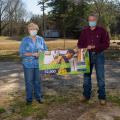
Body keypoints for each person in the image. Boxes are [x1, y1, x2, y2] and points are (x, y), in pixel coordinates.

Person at [77, 14, 110, 105]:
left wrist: (95, 46)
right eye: (90, 20)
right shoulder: (84, 31)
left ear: (96, 20)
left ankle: (102, 97)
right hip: (86, 56)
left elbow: (106, 44)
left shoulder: (102, 31)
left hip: (99, 55)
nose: (91, 21)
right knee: (86, 77)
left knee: (100, 77)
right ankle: (86, 95)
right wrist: (85, 47)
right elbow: (79, 44)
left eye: (93, 20)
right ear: (88, 21)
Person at [19, 23, 48, 105]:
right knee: (29, 82)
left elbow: (46, 49)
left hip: (39, 64)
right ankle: (29, 99)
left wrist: (41, 52)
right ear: (28, 30)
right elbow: (21, 53)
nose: (33, 30)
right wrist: (32, 54)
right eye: (31, 29)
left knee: (38, 81)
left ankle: (39, 97)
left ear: (37, 30)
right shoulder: (25, 40)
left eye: (34, 29)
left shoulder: (41, 39)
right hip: (28, 64)